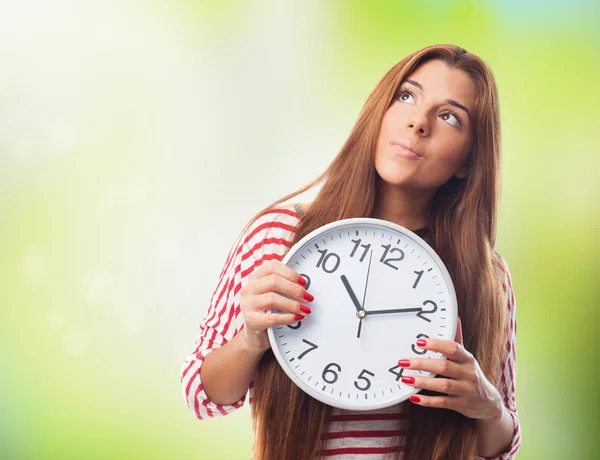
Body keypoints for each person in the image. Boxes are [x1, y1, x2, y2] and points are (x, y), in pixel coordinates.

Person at [181, 44, 521, 459]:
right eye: (406, 96)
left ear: (468, 161)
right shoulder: (281, 236)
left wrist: (485, 405)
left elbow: (499, 450)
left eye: (449, 116)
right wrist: (252, 338)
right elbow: (202, 395)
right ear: (379, 110)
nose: (418, 122)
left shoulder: (487, 277)